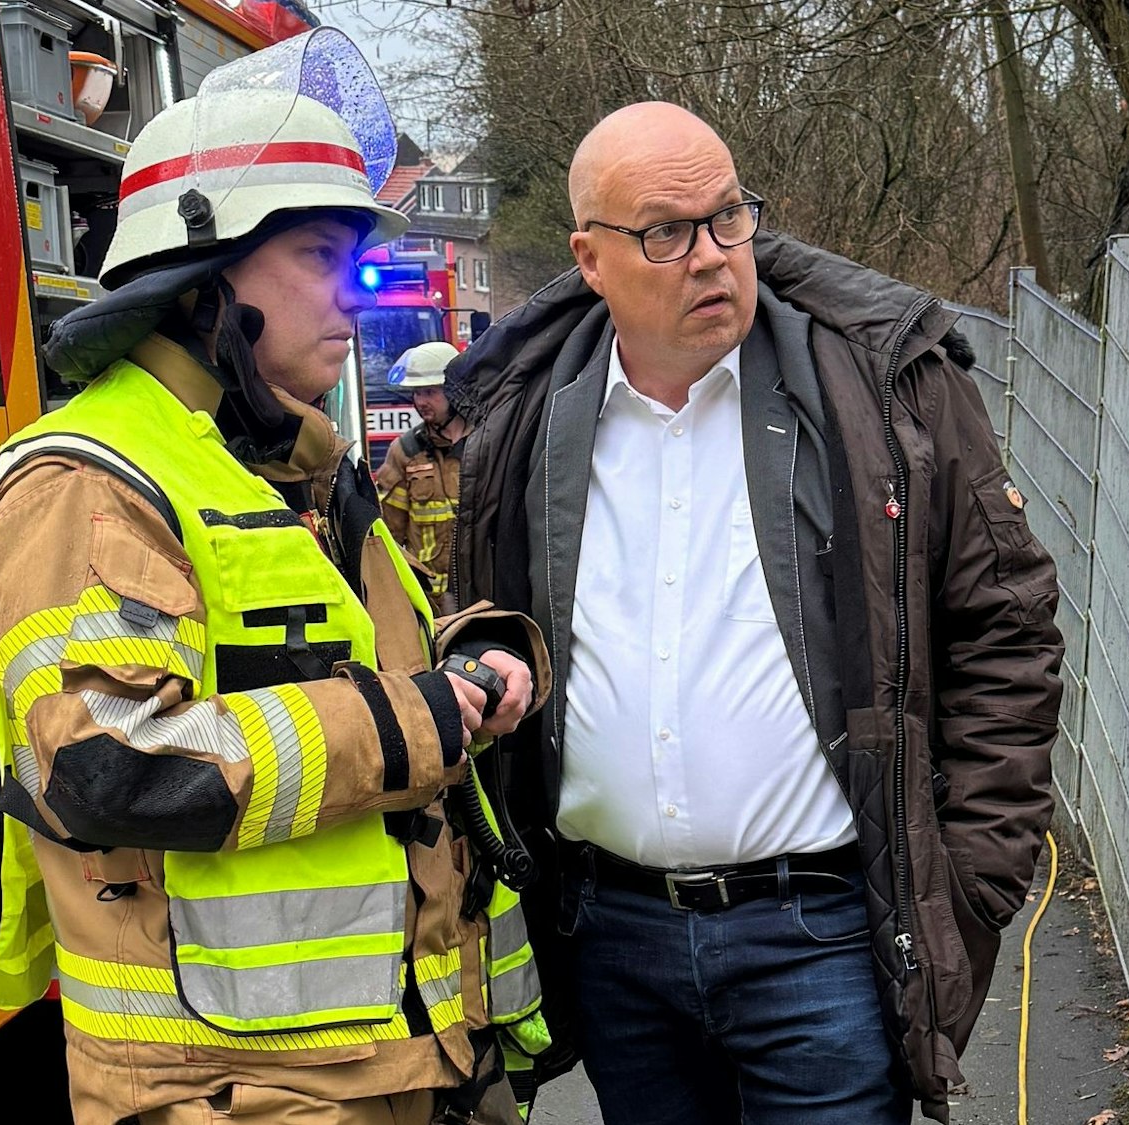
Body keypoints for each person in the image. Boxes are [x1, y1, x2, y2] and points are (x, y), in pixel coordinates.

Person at [0, 30, 553, 1125]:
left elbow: (371, 665)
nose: (351, 302)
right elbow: (115, 765)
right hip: (232, 1091)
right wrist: (419, 720)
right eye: (319, 262)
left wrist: (477, 659)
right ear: (202, 278)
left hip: (401, 1060)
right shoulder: (88, 481)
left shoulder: (299, 471)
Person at [444, 101, 1065, 1123]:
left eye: (727, 217)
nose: (710, 256)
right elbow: (481, 615)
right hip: (610, 937)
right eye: (664, 232)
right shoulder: (525, 415)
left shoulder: (879, 388)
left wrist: (974, 880)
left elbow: (1004, 630)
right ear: (588, 259)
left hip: (819, 937)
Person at [376, 340, 470, 611]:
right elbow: (389, 533)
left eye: (430, 392)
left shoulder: (487, 443)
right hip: (432, 603)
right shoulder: (406, 451)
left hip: (484, 593)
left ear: (454, 392)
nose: (420, 402)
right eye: (416, 393)